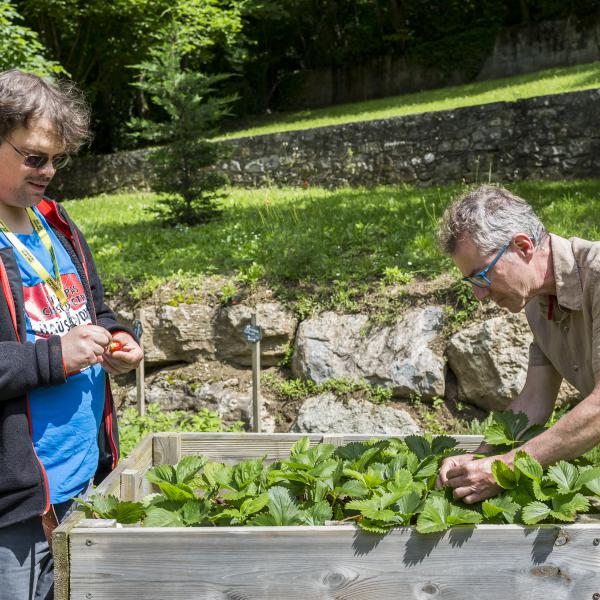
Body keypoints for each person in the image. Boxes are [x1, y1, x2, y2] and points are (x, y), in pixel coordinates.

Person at [0, 69, 143, 599]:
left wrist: (117, 338)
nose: (49, 171)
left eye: (57, 158)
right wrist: (54, 357)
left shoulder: (52, 222)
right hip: (14, 508)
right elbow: (51, 348)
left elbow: (94, 310)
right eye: (35, 156)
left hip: (81, 478)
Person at [435, 185, 600, 505]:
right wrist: (476, 460)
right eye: (471, 283)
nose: (479, 295)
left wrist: (503, 468)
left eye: (481, 276)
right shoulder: (539, 304)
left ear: (522, 246)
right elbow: (534, 402)